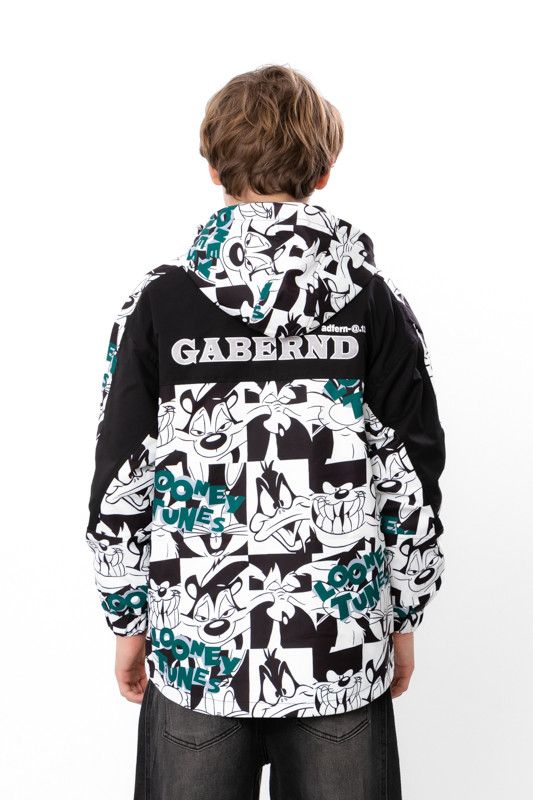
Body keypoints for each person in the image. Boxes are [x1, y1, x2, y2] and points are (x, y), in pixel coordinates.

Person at [86, 64, 445, 800]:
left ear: (213, 168)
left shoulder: (157, 307)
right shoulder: (372, 304)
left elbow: (122, 478)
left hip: (197, 654)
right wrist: (402, 613)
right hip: (338, 650)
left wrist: (127, 620)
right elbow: (411, 479)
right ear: (323, 172)